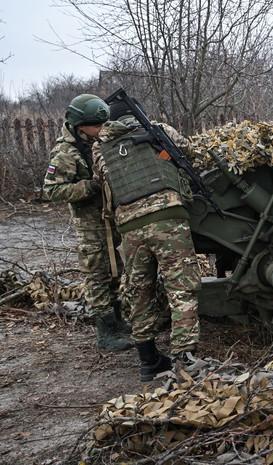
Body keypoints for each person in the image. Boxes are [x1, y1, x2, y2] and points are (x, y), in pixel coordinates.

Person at [92, 98, 201, 382]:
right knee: (181, 288)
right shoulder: (157, 129)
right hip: (168, 218)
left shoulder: (99, 148)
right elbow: (188, 152)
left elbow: (104, 178)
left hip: (129, 227)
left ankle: (149, 360)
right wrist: (161, 155)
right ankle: (185, 358)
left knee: (139, 291)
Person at [43, 94, 132, 351]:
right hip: (90, 225)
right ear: (81, 125)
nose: (102, 129)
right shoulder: (65, 153)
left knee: (116, 270)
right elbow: (51, 190)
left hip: (110, 219)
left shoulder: (96, 139)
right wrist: (90, 187)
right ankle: (105, 332)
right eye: (98, 125)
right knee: (97, 274)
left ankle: (117, 320)